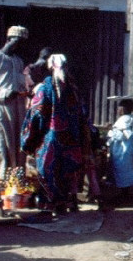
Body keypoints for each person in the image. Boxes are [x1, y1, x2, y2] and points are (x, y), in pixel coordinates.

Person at [21, 54, 91, 215]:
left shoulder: (44, 88)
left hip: (50, 139)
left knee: (48, 170)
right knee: (68, 170)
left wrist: (30, 138)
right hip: (71, 138)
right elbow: (83, 113)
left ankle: (50, 205)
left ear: (51, 66)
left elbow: (36, 114)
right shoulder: (73, 89)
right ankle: (67, 203)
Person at [0, 26, 29, 182]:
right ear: (9, 39)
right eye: (17, 41)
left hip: (18, 107)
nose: (18, 45)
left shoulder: (18, 61)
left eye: (22, 43)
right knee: (3, 148)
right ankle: (2, 182)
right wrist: (3, 94)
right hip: (1, 107)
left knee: (18, 146)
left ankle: (16, 183)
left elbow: (22, 83)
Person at [106, 99, 133, 193]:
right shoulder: (130, 118)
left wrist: (110, 129)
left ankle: (123, 193)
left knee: (121, 171)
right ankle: (125, 191)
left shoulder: (125, 120)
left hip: (122, 149)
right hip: (126, 149)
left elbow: (123, 135)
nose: (118, 109)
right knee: (126, 170)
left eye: (120, 107)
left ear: (125, 108)